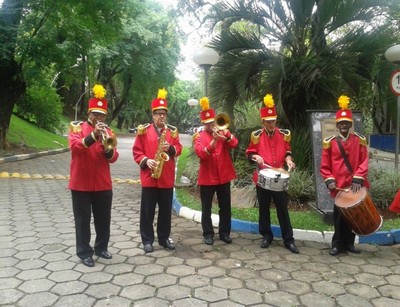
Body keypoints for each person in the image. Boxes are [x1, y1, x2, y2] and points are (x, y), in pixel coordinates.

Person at [68, 84, 119, 267]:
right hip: (81, 183)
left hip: (103, 184)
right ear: (89, 113)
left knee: (103, 218)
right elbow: (75, 147)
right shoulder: (77, 128)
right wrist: (93, 136)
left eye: (102, 115)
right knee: (82, 220)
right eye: (95, 114)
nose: (98, 118)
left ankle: (101, 247)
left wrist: (107, 149)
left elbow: (114, 157)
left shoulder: (109, 132)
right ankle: (84, 252)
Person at [245, 93, 299, 254]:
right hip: (263, 178)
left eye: (273, 121)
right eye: (268, 122)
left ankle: (288, 239)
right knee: (264, 208)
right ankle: (266, 236)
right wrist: (256, 157)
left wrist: (289, 160)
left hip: (279, 177)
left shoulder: (283, 135)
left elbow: (288, 151)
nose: (271, 124)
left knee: (283, 208)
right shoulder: (256, 136)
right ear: (263, 122)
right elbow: (249, 154)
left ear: (276, 120)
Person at [133, 88, 182, 253]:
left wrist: (172, 148)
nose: (161, 116)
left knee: (165, 212)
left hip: (166, 177)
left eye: (164, 113)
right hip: (149, 176)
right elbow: (136, 152)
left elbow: (180, 149)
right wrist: (147, 161)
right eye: (158, 113)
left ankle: (163, 238)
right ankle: (147, 240)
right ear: (153, 115)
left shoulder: (172, 131)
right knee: (147, 211)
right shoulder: (144, 130)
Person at [320, 95, 369, 256]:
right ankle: (336, 244)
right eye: (341, 123)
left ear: (350, 124)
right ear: (337, 125)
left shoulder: (359, 140)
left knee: (353, 217)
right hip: (340, 187)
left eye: (346, 123)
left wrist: (358, 177)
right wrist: (330, 180)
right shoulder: (330, 142)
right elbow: (325, 166)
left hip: (354, 185)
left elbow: (364, 161)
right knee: (339, 217)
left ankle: (349, 243)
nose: (343, 126)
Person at [193, 97, 238, 245]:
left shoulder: (223, 132)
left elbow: (234, 143)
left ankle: (225, 233)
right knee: (206, 208)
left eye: (212, 122)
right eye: (207, 123)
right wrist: (213, 142)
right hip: (208, 177)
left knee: (225, 207)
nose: (211, 125)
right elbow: (201, 154)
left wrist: (226, 135)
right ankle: (208, 234)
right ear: (203, 124)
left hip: (223, 176)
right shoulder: (199, 137)